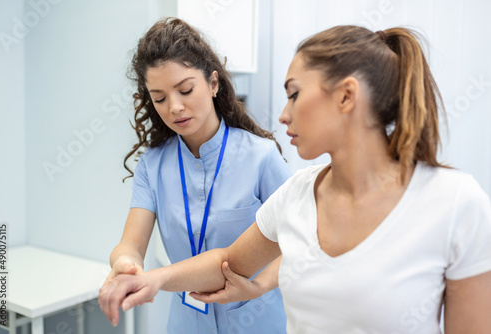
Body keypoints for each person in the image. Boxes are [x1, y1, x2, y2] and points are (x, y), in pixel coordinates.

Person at [98, 25, 491, 333]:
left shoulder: (455, 203)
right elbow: (227, 261)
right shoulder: (299, 194)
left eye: (294, 94)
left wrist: (260, 286)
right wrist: (146, 277)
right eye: (160, 97)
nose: (283, 115)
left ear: (346, 96)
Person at [99, 17, 291, 333]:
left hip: (257, 320)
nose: (174, 107)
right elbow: (130, 245)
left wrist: (259, 285)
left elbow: (301, 240)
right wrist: (125, 265)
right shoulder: (152, 165)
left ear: (213, 83)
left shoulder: (261, 157)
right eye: (159, 98)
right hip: (186, 323)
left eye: (185, 90)